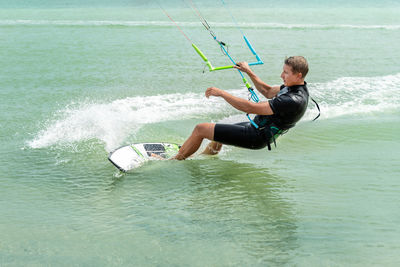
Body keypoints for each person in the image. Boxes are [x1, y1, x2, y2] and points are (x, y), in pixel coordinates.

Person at [172, 56, 310, 160]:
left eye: (286, 72)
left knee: (200, 129)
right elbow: (267, 91)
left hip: (257, 136)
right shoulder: (293, 87)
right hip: (257, 127)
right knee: (217, 135)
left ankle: (174, 161)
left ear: (298, 75)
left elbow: (250, 107)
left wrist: (222, 93)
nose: (281, 75)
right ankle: (205, 158)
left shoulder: (293, 100)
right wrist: (248, 71)